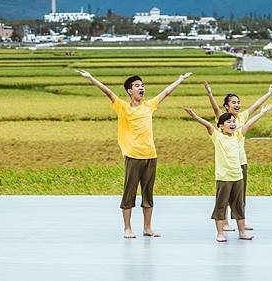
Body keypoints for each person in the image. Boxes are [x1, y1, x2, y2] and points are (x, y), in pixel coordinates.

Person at [76, 69, 192, 238]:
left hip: (151, 155)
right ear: (130, 91)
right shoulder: (123, 107)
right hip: (133, 156)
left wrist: (180, 79)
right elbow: (108, 92)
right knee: (129, 192)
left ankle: (147, 228)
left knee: (148, 193)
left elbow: (166, 92)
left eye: (142, 85)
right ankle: (127, 228)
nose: (141, 88)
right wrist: (91, 77)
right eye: (137, 85)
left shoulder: (149, 106)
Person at [183, 104, 272, 242]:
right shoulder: (217, 137)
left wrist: (262, 113)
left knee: (238, 206)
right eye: (228, 122)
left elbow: (249, 123)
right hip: (224, 178)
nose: (232, 123)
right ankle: (220, 233)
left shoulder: (237, 136)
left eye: (233, 121)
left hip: (238, 176)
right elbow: (208, 125)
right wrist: (195, 116)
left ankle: (242, 232)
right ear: (221, 126)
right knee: (221, 205)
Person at [203, 80, 272, 230]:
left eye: (238, 102)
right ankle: (224, 223)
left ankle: (240, 220)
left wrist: (269, 92)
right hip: (228, 164)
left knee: (240, 194)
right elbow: (215, 108)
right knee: (226, 195)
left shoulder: (242, 117)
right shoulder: (223, 119)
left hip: (241, 161)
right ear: (226, 106)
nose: (237, 104)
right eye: (233, 102)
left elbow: (256, 106)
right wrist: (210, 93)